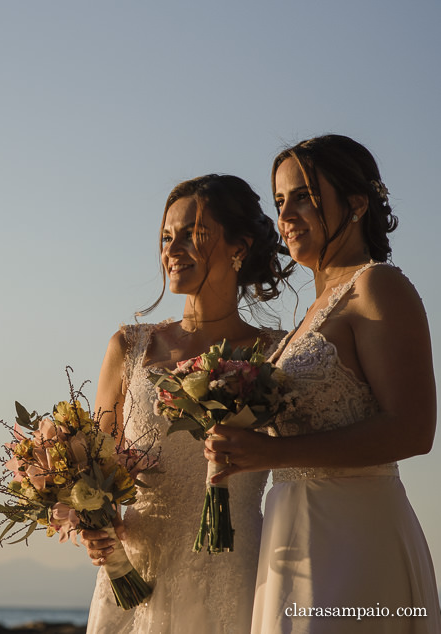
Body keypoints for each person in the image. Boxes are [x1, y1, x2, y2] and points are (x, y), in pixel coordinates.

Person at [205, 134, 441, 633]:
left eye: (304, 197)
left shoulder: (378, 286)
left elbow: (414, 431)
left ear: (357, 204)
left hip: (354, 534)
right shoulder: (308, 314)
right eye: (280, 201)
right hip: (289, 532)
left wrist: (270, 455)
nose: (285, 214)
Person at [83, 174, 290, 633]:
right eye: (166, 237)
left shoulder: (278, 354)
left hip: (236, 569)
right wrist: (96, 525)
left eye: (193, 236)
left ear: (240, 247)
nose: (172, 250)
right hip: (136, 573)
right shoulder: (129, 347)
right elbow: (95, 467)